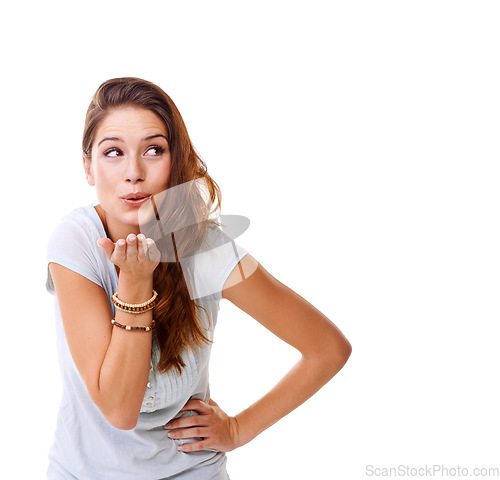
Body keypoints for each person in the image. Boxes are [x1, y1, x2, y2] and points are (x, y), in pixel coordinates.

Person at [45, 77, 352, 480]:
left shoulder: (204, 247)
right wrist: (136, 284)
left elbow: (327, 349)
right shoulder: (76, 240)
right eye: (113, 152)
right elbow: (119, 409)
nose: (133, 172)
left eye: (154, 150)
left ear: (176, 161)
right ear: (88, 167)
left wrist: (238, 429)